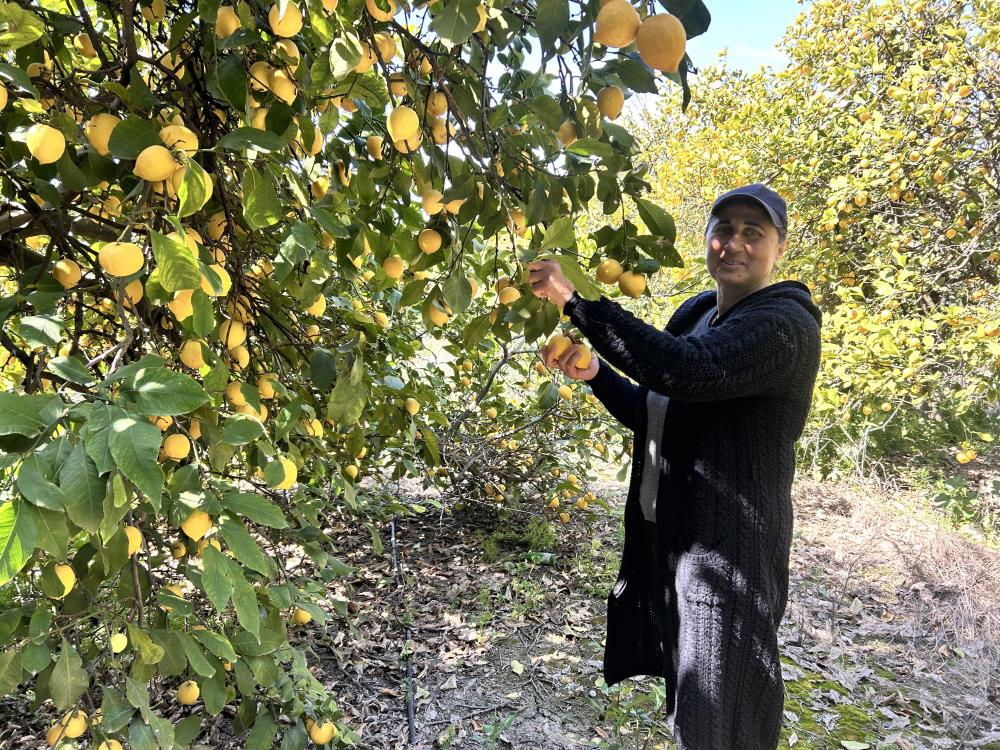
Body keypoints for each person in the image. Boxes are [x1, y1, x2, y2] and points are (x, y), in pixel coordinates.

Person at [527, 184, 822, 750]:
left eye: (752, 233)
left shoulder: (784, 325)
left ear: (778, 247)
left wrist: (576, 304)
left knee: (720, 712)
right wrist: (597, 377)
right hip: (673, 542)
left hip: (726, 557)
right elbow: (655, 409)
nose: (733, 243)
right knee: (689, 701)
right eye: (724, 228)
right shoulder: (696, 314)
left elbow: (689, 371)